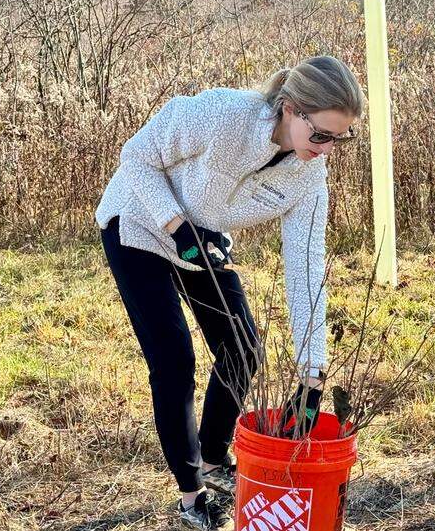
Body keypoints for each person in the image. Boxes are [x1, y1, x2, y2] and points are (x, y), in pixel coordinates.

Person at [95, 56, 364, 529]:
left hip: (200, 240)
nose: (325, 149)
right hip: (138, 223)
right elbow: (136, 156)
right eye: (321, 134)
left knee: (242, 348)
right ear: (291, 108)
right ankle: (191, 495)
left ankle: (213, 458)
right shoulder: (223, 114)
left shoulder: (308, 177)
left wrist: (312, 374)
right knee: (174, 358)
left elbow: (305, 266)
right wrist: (175, 225)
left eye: (338, 139)